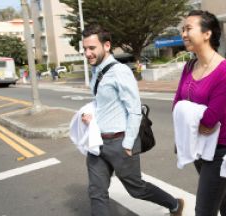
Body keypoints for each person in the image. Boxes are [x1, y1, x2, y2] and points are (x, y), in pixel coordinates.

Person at [80, 25, 184, 216]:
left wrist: (128, 144)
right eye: (85, 48)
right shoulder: (96, 71)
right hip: (97, 142)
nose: (87, 53)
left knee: (136, 189)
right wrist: (91, 119)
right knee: (96, 192)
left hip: (120, 142)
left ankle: (174, 204)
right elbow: (105, 105)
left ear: (107, 45)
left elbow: (134, 110)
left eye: (92, 48)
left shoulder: (120, 71)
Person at [173, 10, 226, 216]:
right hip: (197, 144)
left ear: (207, 34)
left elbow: (211, 120)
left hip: (218, 149)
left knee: (204, 210)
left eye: (189, 28)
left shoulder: (224, 70)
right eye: (183, 29)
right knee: (224, 200)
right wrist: (192, 117)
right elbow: (176, 104)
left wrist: (188, 114)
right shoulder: (189, 66)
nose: (184, 34)